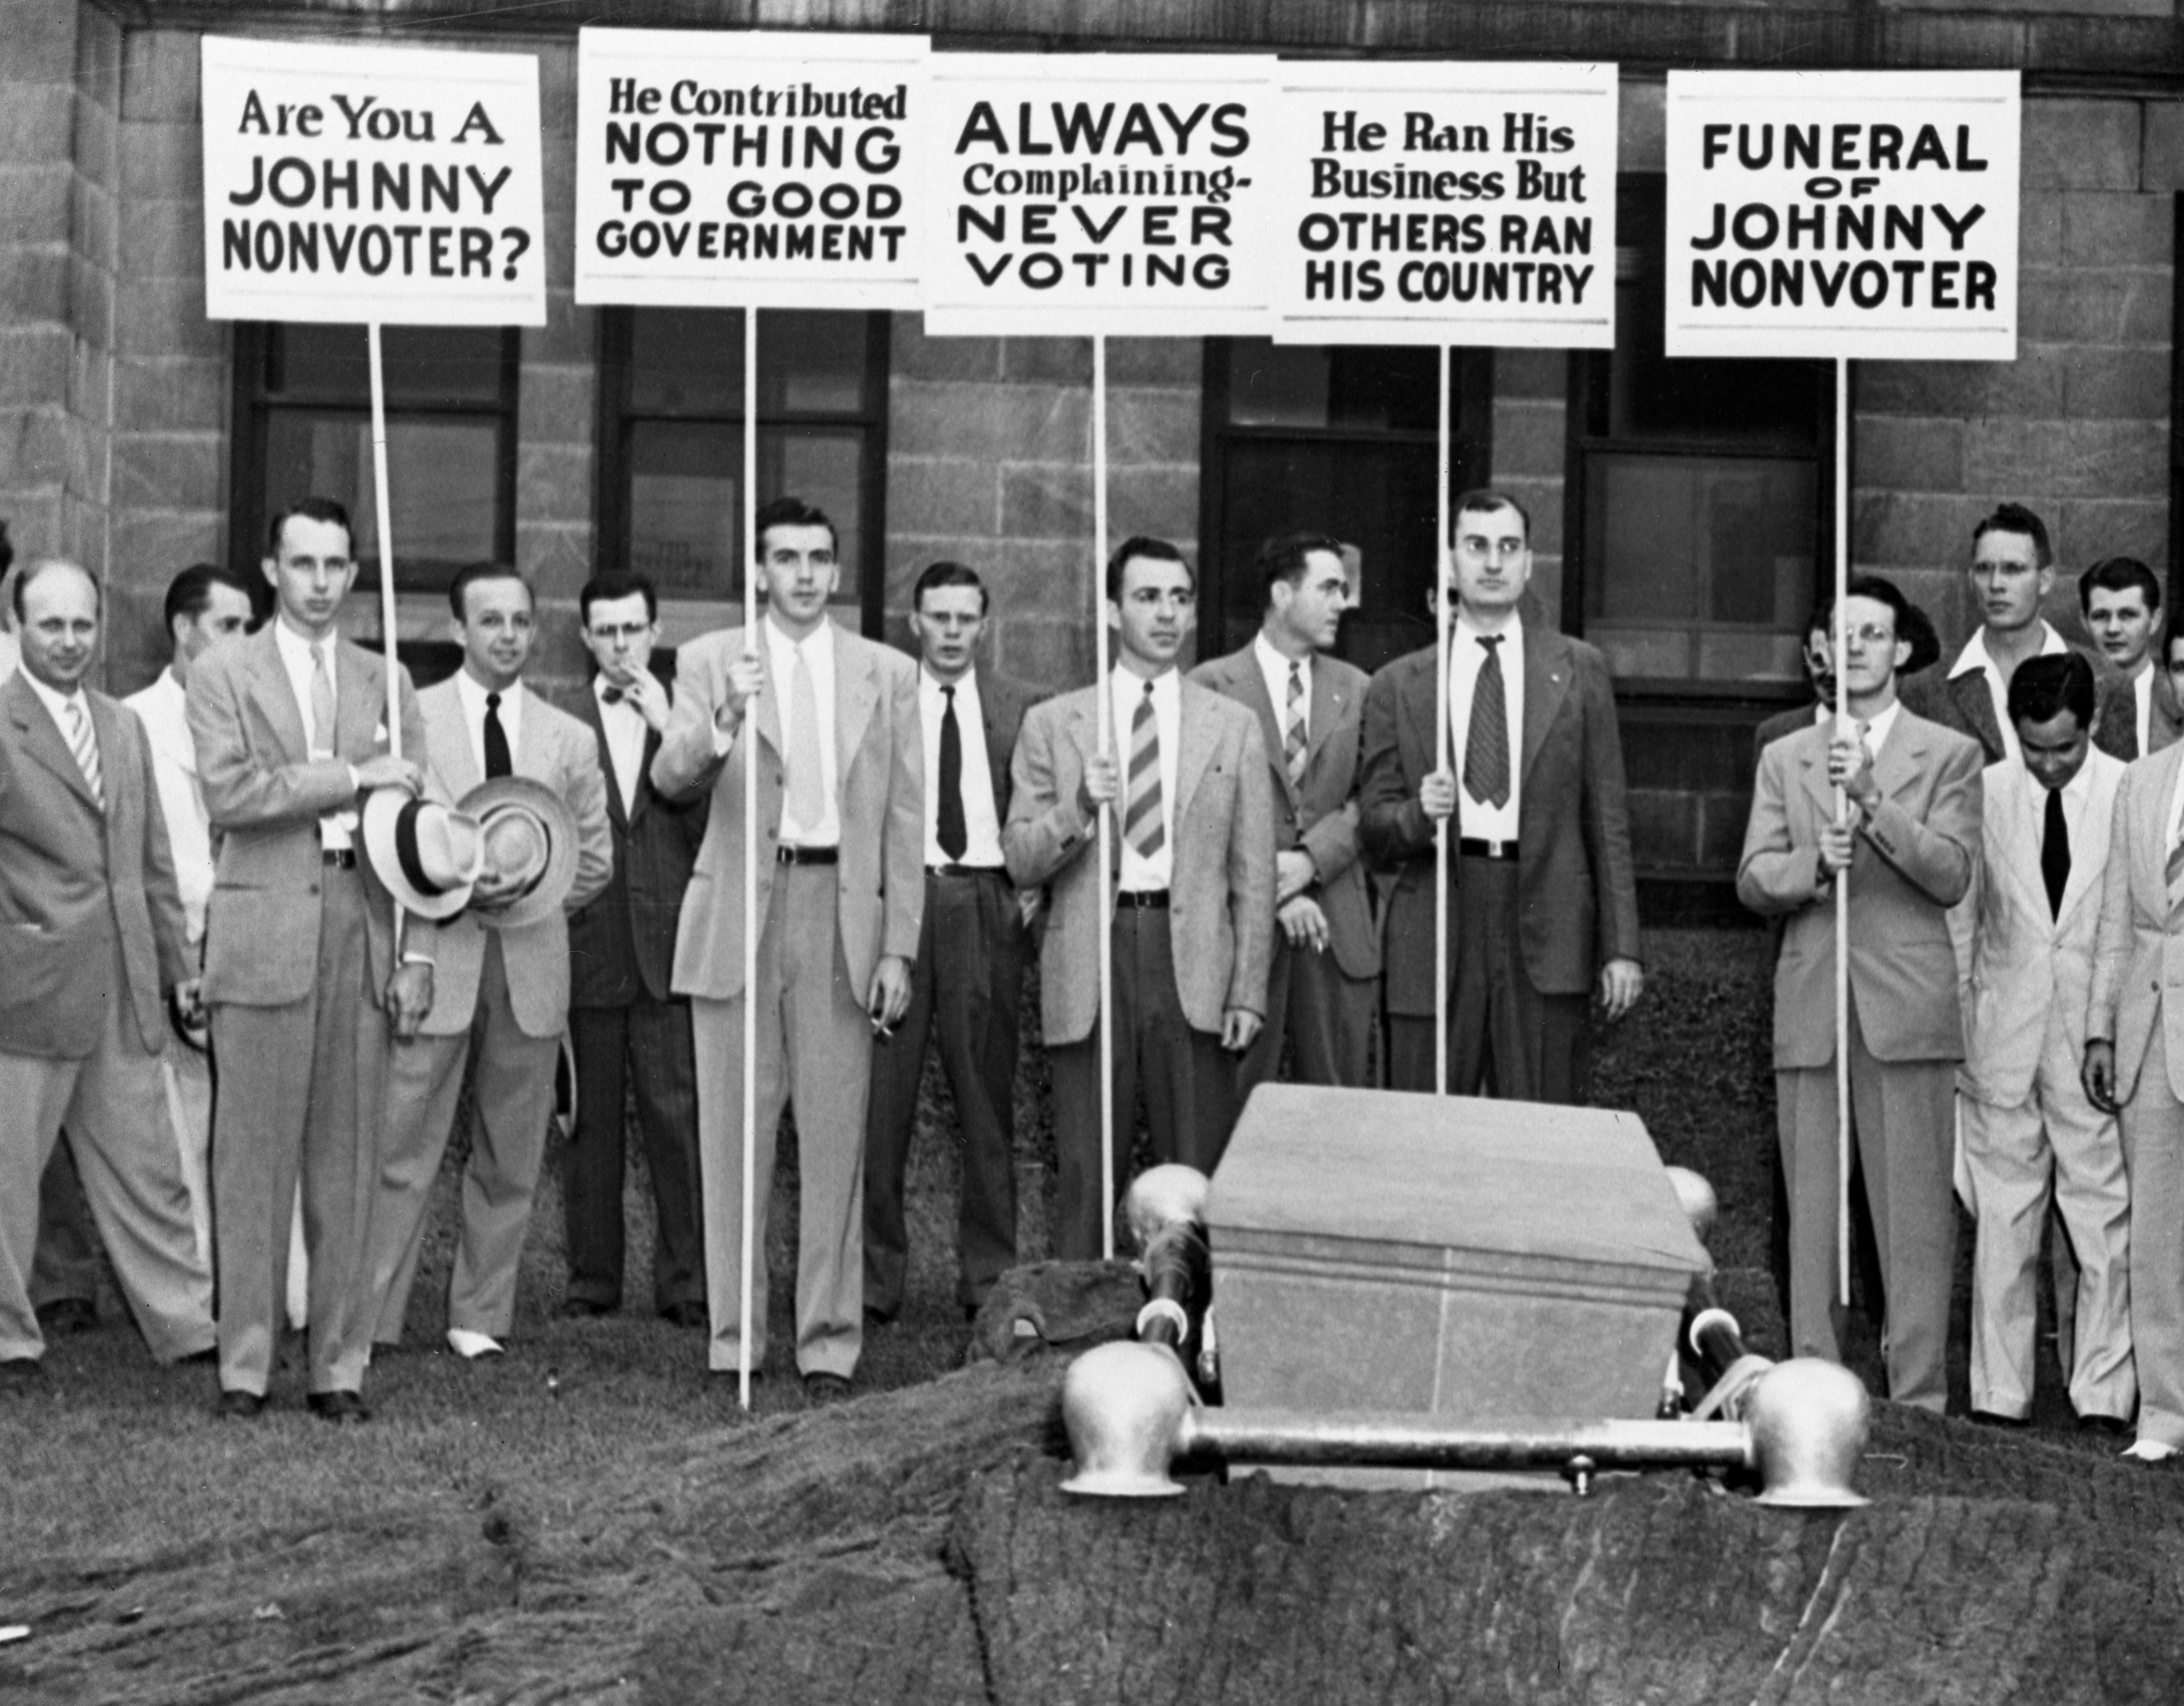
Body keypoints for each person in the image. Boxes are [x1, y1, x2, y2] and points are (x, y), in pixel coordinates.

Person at [652, 497, 922, 1400]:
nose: (804, 574)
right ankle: (736, 1339)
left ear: (837, 572)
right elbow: (670, 776)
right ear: (759, 570)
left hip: (839, 906)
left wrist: (899, 948)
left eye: (819, 558)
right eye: (785, 558)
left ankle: (829, 1342)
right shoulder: (709, 661)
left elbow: (902, 819)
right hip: (740, 906)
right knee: (734, 1135)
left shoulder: (885, 673)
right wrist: (724, 718)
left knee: (835, 1137)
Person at [186, 496, 434, 1423]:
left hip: (362, 926)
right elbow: (233, 791)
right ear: (271, 569)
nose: (321, 584)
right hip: (263, 927)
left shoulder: (386, 680)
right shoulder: (224, 673)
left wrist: (419, 952)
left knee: (349, 1162)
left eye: (337, 566)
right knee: (251, 1163)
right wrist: (349, 774)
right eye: (304, 565)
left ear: (354, 573)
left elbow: (421, 829)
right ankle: (245, 1367)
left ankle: (339, 1366)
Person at [1738, 573, 1982, 1414]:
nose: (1856, 648)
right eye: (1842, 634)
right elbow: (1752, 875)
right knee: (1811, 1212)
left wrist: (1875, 800)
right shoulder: (1784, 757)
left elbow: (1951, 872)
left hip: (1904, 1011)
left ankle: (1918, 1396)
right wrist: (1810, 868)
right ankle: (1813, 1386)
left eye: (1872, 634)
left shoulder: (1947, 754)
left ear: (1903, 648)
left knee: (1913, 1213)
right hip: (1813, 1001)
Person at [1004, 536, 1274, 1259]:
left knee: (1196, 1170)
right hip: (1093, 954)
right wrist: (1077, 810)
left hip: (1193, 963)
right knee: (1088, 1166)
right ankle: (1082, 1337)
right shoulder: (1056, 724)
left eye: (1179, 599)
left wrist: (1247, 987)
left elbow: (1253, 873)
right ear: (1112, 609)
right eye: (1148, 597)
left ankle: (1195, 1334)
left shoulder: (1232, 725)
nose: (1166, 614)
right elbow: (1022, 857)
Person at [367, 563, 611, 1360]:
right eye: (491, 620)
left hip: (531, 959)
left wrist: (529, 893)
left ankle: (480, 1313)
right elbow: (387, 840)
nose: (507, 634)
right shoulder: (412, 722)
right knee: (404, 1143)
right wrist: (443, 900)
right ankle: (373, 1314)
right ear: (457, 629)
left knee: (512, 1146)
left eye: (520, 621)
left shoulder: (569, 738)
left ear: (535, 631)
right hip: (437, 955)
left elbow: (594, 856)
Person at [0, 559, 216, 1379]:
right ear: (19, 626)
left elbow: (151, 861)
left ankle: (185, 1324)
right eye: (50, 624)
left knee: (149, 1166)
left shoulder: (121, 725)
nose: (68, 640)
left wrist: (179, 966)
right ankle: (10, 1337)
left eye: (82, 624)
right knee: (9, 1178)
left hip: (123, 985)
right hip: (26, 985)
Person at [1360, 488, 1643, 1102]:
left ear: (1529, 561)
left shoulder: (1580, 669)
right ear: (1451, 561)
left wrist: (1622, 947)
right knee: (1424, 1134)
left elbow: (1607, 820)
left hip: (1545, 918)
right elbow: (1373, 828)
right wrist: (1416, 814)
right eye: (1477, 546)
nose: (1492, 562)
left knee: (1542, 1136)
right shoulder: (1398, 685)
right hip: (1438, 911)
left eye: (1508, 548)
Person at [1952, 653, 2134, 1432]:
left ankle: (2101, 1392)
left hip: (2093, 1040)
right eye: (2035, 749)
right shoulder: (1985, 790)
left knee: (2101, 1217)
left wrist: (2109, 1028)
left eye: (2064, 746)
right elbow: (1961, 918)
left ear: (2091, 724)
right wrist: (1961, 1023)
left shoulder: (2131, 789)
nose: (2050, 762)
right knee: (2002, 1220)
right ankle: (1999, 1393)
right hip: (2000, 1034)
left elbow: (2127, 923)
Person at [863, 562, 1036, 1325]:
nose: (954, 631)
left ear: (985, 623)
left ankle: (989, 1275)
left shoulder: (1015, 707)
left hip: (982, 901)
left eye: (967, 617)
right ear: (915, 621)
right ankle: (873, 1278)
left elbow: (1034, 809)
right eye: (940, 617)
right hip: (900, 901)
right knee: (882, 1102)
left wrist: (1024, 893)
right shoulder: (885, 701)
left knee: (985, 1097)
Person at [562, 571, 709, 1328]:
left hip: (667, 944)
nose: (621, 644)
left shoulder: (689, 716)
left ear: (656, 631)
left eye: (633, 629)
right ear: (585, 636)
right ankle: (593, 1277)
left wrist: (676, 729)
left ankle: (686, 1281)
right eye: (606, 631)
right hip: (590, 942)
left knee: (676, 1116)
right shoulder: (562, 722)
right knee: (591, 1125)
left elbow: (711, 823)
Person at [1190, 532, 1378, 1095]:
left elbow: (1372, 797)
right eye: (1327, 588)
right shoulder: (1209, 686)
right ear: (1280, 593)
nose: (1341, 603)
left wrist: (1311, 860)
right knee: (1234, 1103)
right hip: (1242, 933)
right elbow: (1198, 815)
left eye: (1343, 589)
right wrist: (1277, 882)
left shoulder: (1360, 689)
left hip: (1337, 931)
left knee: (1336, 1114)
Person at [119, 564, 259, 1272]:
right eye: (228, 625)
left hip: (254, 944)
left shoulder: (262, 718)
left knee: (254, 1126)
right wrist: (177, 958)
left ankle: (266, 1279)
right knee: (182, 1126)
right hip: (171, 950)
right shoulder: (132, 722)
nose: (243, 640)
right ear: (183, 628)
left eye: (249, 627)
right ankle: (197, 1276)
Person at [2083, 606, 2184, 1464]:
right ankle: (2164, 1414)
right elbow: (2115, 914)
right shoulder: (2142, 782)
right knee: (2156, 1235)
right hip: (2152, 1030)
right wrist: (2098, 1030)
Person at [1906, 502, 2075, 764]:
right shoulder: (1926, 689)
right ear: (1971, 578)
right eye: (1984, 569)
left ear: (2045, 580)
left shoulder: (2103, 682)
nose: (1996, 584)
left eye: (2013, 569)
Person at [2083, 555, 2181, 762]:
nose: (2113, 629)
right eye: (2101, 616)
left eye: (2128, 615)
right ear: (2084, 621)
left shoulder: (2177, 698)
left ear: (2154, 621)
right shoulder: (2069, 697)